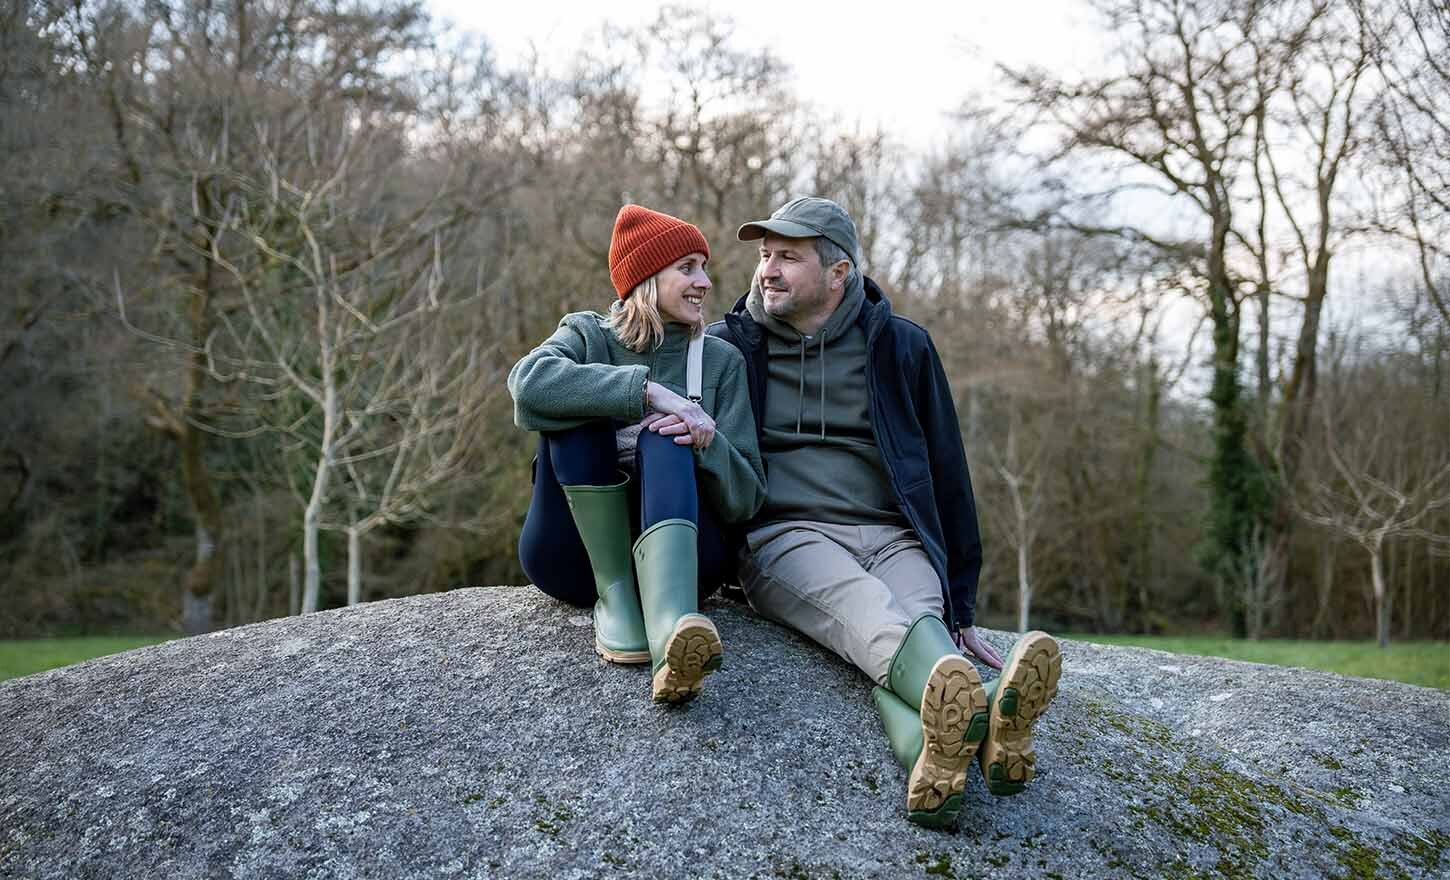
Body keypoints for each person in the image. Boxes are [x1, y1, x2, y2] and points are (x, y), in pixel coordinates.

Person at [708, 196, 1063, 827]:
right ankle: (987, 710)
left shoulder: (900, 346)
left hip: (893, 536)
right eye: (765, 255)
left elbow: (948, 473)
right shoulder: (731, 347)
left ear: (838, 272)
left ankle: (937, 761)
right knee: (871, 618)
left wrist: (961, 605)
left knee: (923, 627)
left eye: (788, 257)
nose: (768, 270)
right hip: (788, 535)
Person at [509, 205, 766, 703]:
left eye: (704, 268)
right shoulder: (586, 335)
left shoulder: (720, 361)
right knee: (576, 412)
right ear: (647, 279)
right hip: (570, 561)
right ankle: (616, 599)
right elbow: (527, 386)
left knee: (667, 437)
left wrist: (705, 440)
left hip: (689, 570)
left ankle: (673, 631)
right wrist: (647, 392)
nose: (705, 282)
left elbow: (748, 498)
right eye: (687, 268)